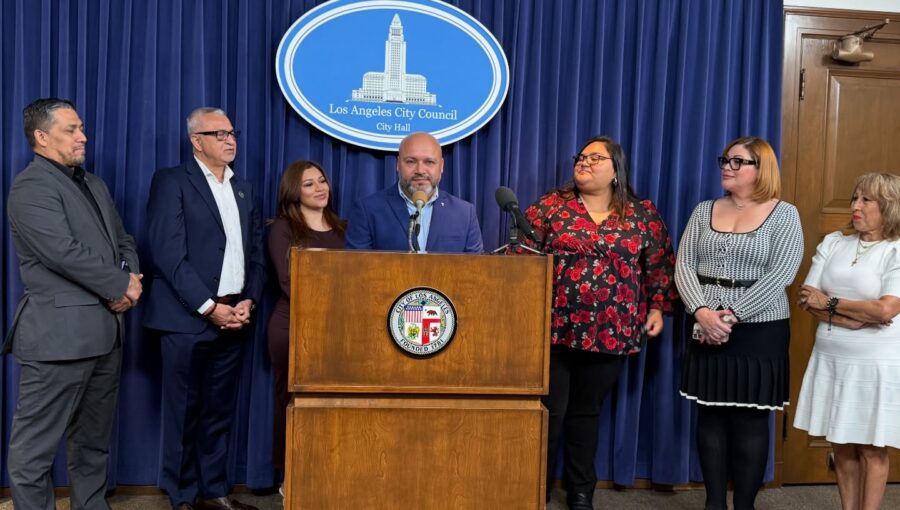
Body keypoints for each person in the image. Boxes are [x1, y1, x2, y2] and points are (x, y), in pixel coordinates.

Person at [522, 135, 678, 510]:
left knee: (586, 413)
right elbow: (520, 256)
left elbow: (659, 265)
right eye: (581, 157)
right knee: (550, 413)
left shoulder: (641, 214)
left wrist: (657, 308)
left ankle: (581, 491)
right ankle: (534, 488)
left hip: (611, 333)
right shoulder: (550, 206)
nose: (585, 162)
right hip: (553, 330)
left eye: (596, 158)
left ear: (616, 170)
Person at [4, 98, 141, 510]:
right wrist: (121, 285)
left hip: (106, 335)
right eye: (71, 129)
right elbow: (62, 253)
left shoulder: (94, 183)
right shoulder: (30, 187)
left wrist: (129, 277)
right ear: (42, 137)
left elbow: (123, 241)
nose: (83, 136)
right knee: (34, 452)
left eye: (81, 128)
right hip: (57, 340)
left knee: (93, 445)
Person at [144, 107, 266, 510]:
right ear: (196, 141)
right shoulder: (172, 181)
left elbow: (256, 254)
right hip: (186, 319)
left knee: (219, 411)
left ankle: (214, 491)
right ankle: (181, 497)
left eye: (232, 133)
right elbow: (167, 252)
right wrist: (207, 306)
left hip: (235, 318)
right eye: (219, 134)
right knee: (183, 411)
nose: (230, 140)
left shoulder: (244, 188)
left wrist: (248, 299)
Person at [675, 136, 803, 510]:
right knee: (710, 416)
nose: (726, 167)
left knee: (749, 421)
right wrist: (702, 312)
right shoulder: (704, 211)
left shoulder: (785, 214)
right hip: (704, 323)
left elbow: (781, 274)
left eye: (737, 162)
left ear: (761, 169)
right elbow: (684, 264)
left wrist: (729, 318)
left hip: (759, 330)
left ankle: (744, 505)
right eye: (725, 160)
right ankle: (714, 504)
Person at [793, 172, 900, 510]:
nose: (855, 205)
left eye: (866, 200)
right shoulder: (834, 242)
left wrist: (831, 303)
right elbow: (808, 298)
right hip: (831, 357)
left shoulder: (895, 250)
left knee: (871, 447)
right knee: (840, 442)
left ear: (889, 206)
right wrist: (851, 318)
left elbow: (886, 309)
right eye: (855, 198)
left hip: (875, 362)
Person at [266, 161, 346, 482]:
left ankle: (325, 475)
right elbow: (289, 281)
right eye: (309, 184)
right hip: (293, 326)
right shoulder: (283, 228)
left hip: (339, 330)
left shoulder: (344, 228)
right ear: (293, 192)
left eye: (322, 180)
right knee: (292, 403)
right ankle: (291, 478)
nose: (319, 188)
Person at [344, 131, 483, 253]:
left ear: (441, 166)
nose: (420, 170)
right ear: (398, 164)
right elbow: (357, 268)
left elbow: (476, 269)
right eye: (411, 161)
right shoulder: (367, 210)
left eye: (429, 162)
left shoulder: (465, 214)